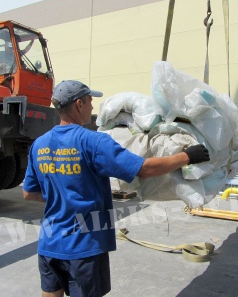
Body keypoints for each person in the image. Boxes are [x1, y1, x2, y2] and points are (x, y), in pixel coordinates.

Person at [22, 80, 210, 297]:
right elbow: (143, 169)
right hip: (83, 245)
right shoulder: (92, 141)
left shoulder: (39, 144)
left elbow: (29, 193)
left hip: (49, 243)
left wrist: (62, 195)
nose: (93, 107)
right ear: (79, 104)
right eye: (90, 101)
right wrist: (187, 156)